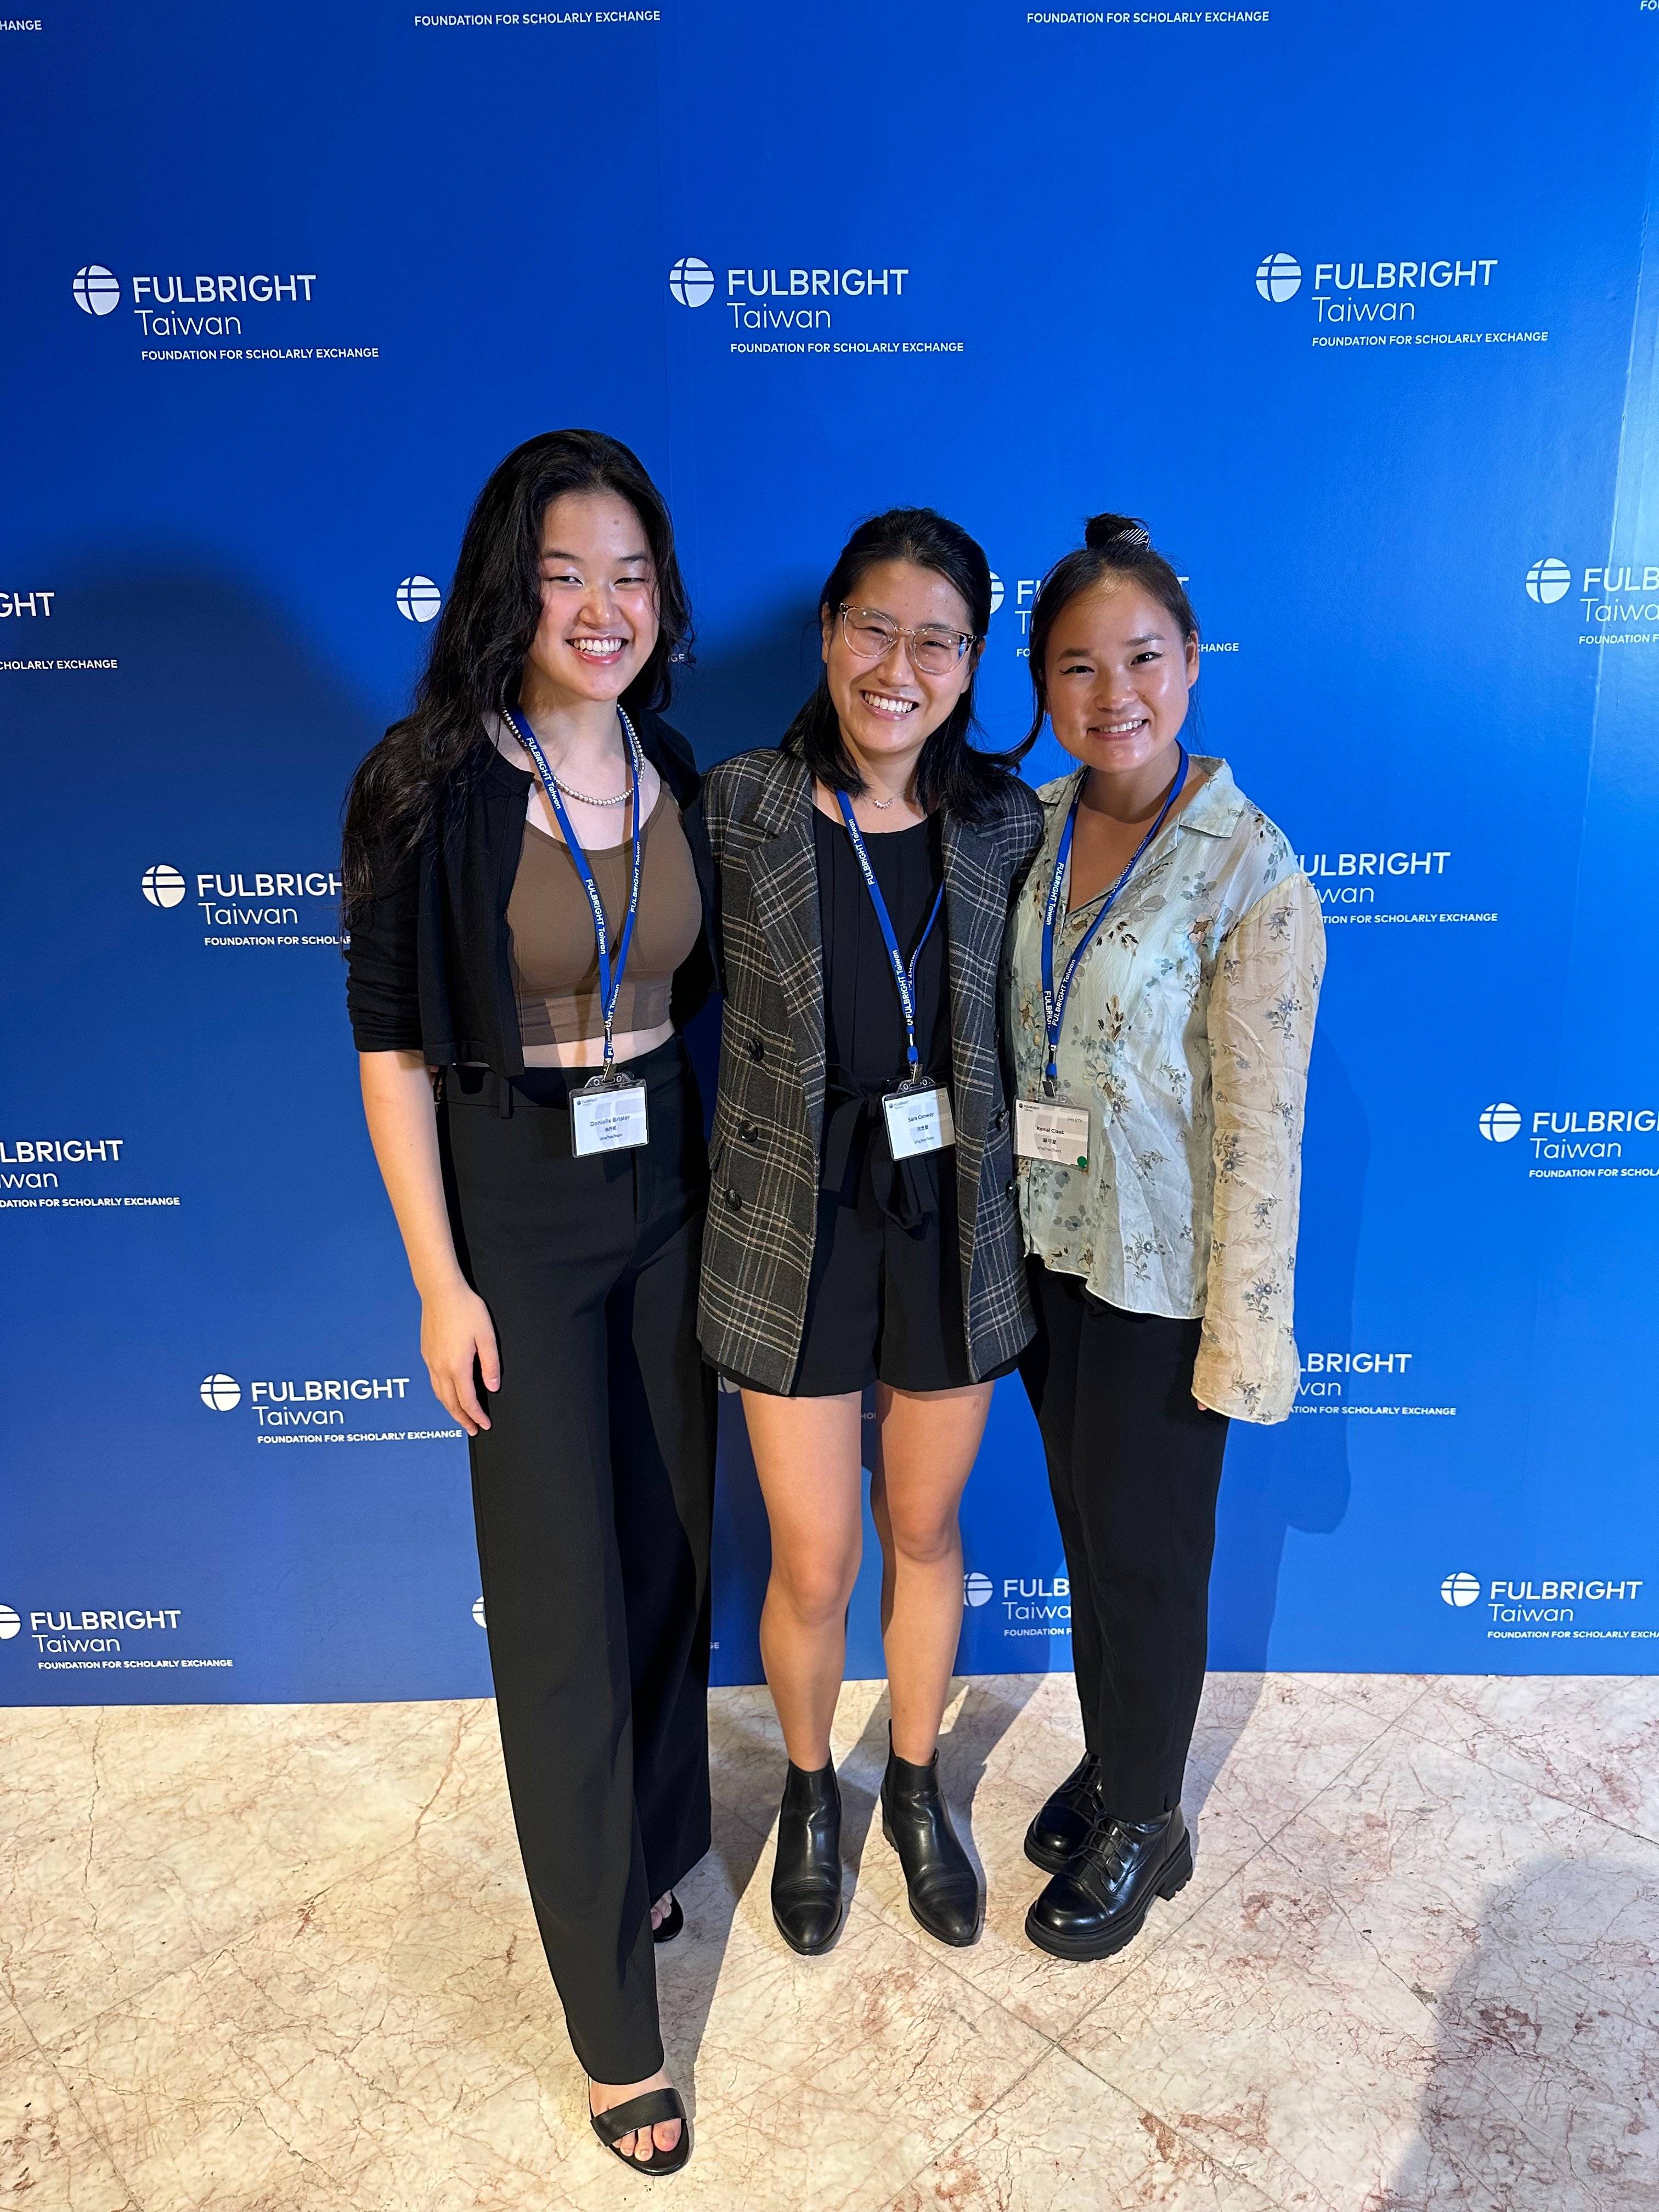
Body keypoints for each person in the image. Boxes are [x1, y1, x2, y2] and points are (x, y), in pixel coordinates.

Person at [342, 430, 717, 2174]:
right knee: (562, 1615)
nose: (603, 607)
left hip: (674, 1198)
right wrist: (440, 1283)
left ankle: (643, 1866)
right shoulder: (426, 780)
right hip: (517, 1205)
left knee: (666, 1570)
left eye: (631, 574)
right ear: (510, 584)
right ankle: (613, 2035)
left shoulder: (676, 767)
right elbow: (394, 1051)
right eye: (568, 572)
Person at [697, 508, 1043, 1956]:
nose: (900, 666)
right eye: (875, 629)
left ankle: (911, 1786)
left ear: (971, 667)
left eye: (938, 641)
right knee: (815, 1559)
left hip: (951, 1223)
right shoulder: (737, 807)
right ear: (831, 632)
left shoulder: (1009, 825)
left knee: (921, 1525)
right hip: (792, 1222)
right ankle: (808, 1795)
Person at [1006, 512, 1324, 1962]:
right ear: (1041, 682)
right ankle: (1121, 1754)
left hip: (1160, 1282)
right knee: (1089, 1537)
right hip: (1047, 1248)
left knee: (1147, 1556)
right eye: (1077, 666)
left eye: (1140, 659)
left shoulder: (1255, 873)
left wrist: (1243, 1337)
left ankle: (1150, 1818)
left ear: (1191, 666)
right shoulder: (1042, 827)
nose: (1111, 693)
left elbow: (1267, 1132)